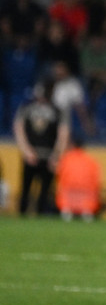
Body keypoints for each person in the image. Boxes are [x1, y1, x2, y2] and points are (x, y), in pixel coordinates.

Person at [13, 79, 70, 216]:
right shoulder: (26, 108)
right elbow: (19, 129)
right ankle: (23, 213)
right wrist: (27, 151)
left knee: (44, 192)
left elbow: (63, 134)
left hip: (48, 155)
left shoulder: (57, 110)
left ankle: (38, 214)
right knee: (26, 189)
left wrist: (56, 156)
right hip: (32, 154)